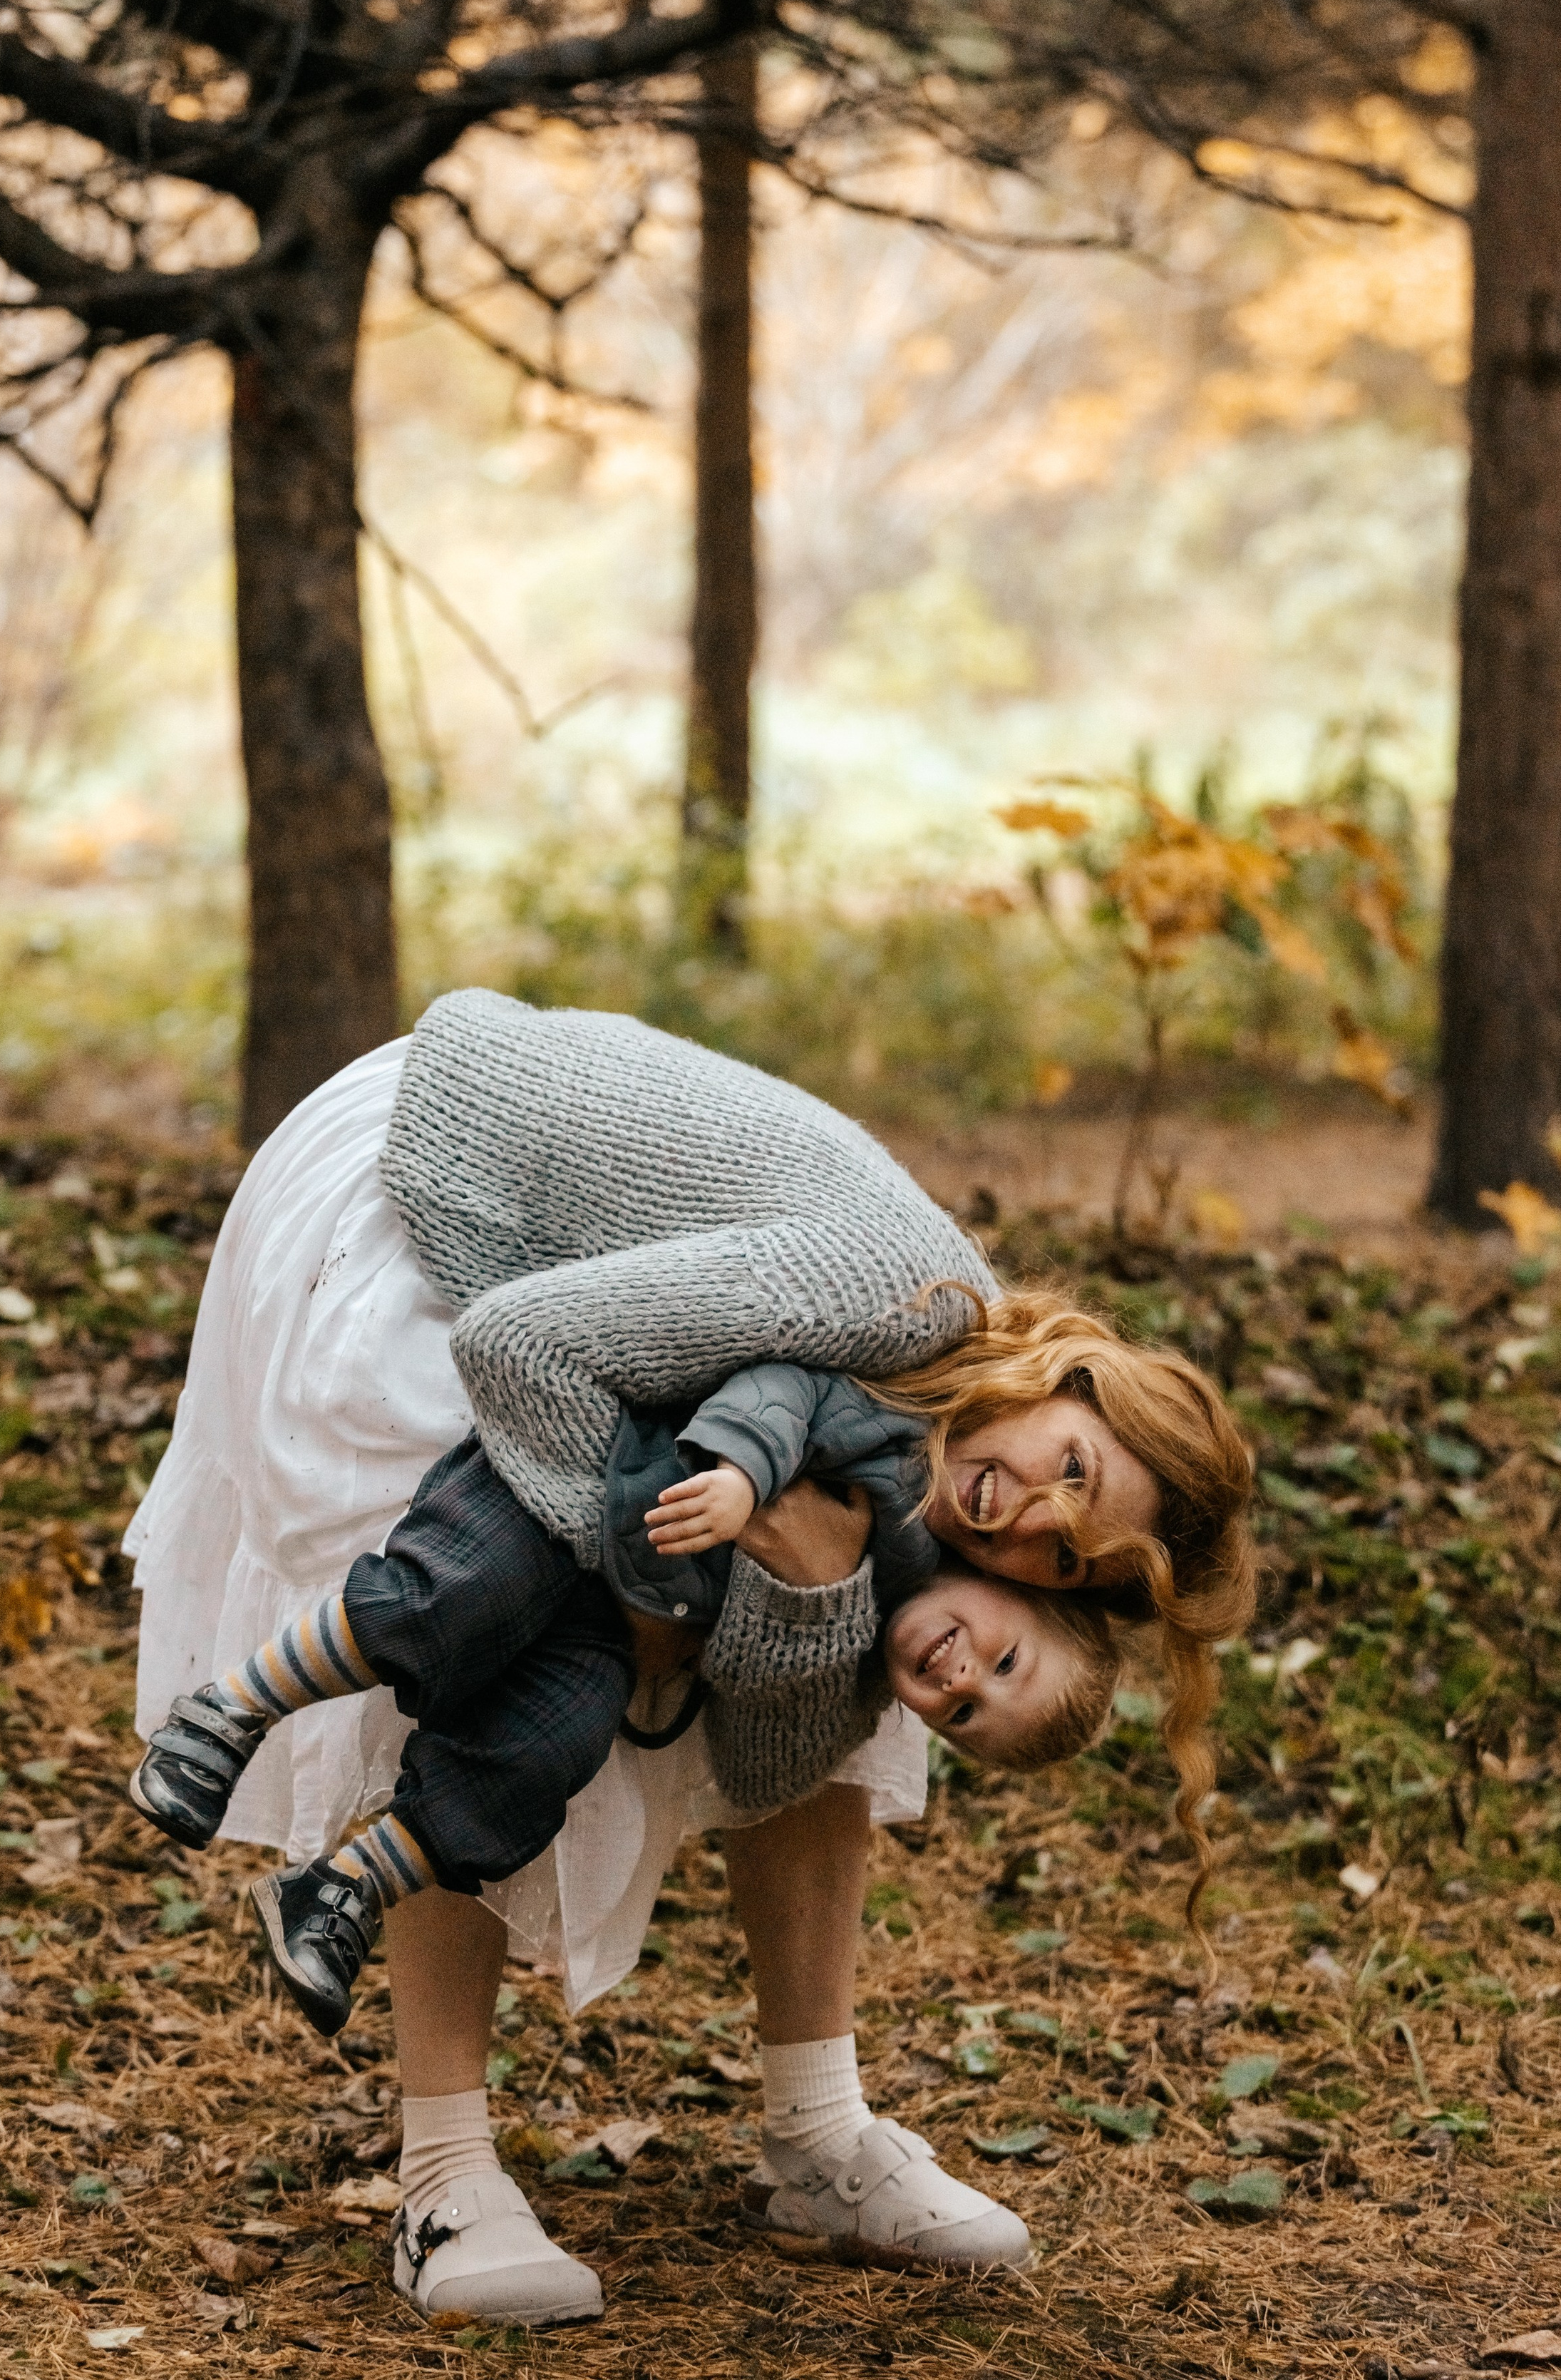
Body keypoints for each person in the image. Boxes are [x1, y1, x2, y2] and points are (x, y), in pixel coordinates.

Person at [125, 990, 1255, 2328]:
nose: (1034, 1519)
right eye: (1076, 1466)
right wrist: (643, 1590)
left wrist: (814, 1580)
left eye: (1071, 1558)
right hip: (444, 1175)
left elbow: (789, 1730)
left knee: (909, 1612)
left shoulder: (949, 1443)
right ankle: (443, 2168)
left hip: (599, 1308)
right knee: (488, 1580)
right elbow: (522, 1344)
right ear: (1071, 1377)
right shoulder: (894, 1289)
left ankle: (817, 2130)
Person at [127, 1375, 1124, 2040]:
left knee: (536, 1758)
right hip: (579, 1493)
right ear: (1028, 1595)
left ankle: (338, 1889)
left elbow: (764, 1757)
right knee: (445, 1600)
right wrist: (743, 1472)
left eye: (964, 1714)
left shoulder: (869, 1653)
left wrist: (807, 1610)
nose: (960, 1680)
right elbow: (792, 1388)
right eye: (1004, 1658)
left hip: (620, 1618)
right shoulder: (916, 1470)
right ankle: (225, 1712)